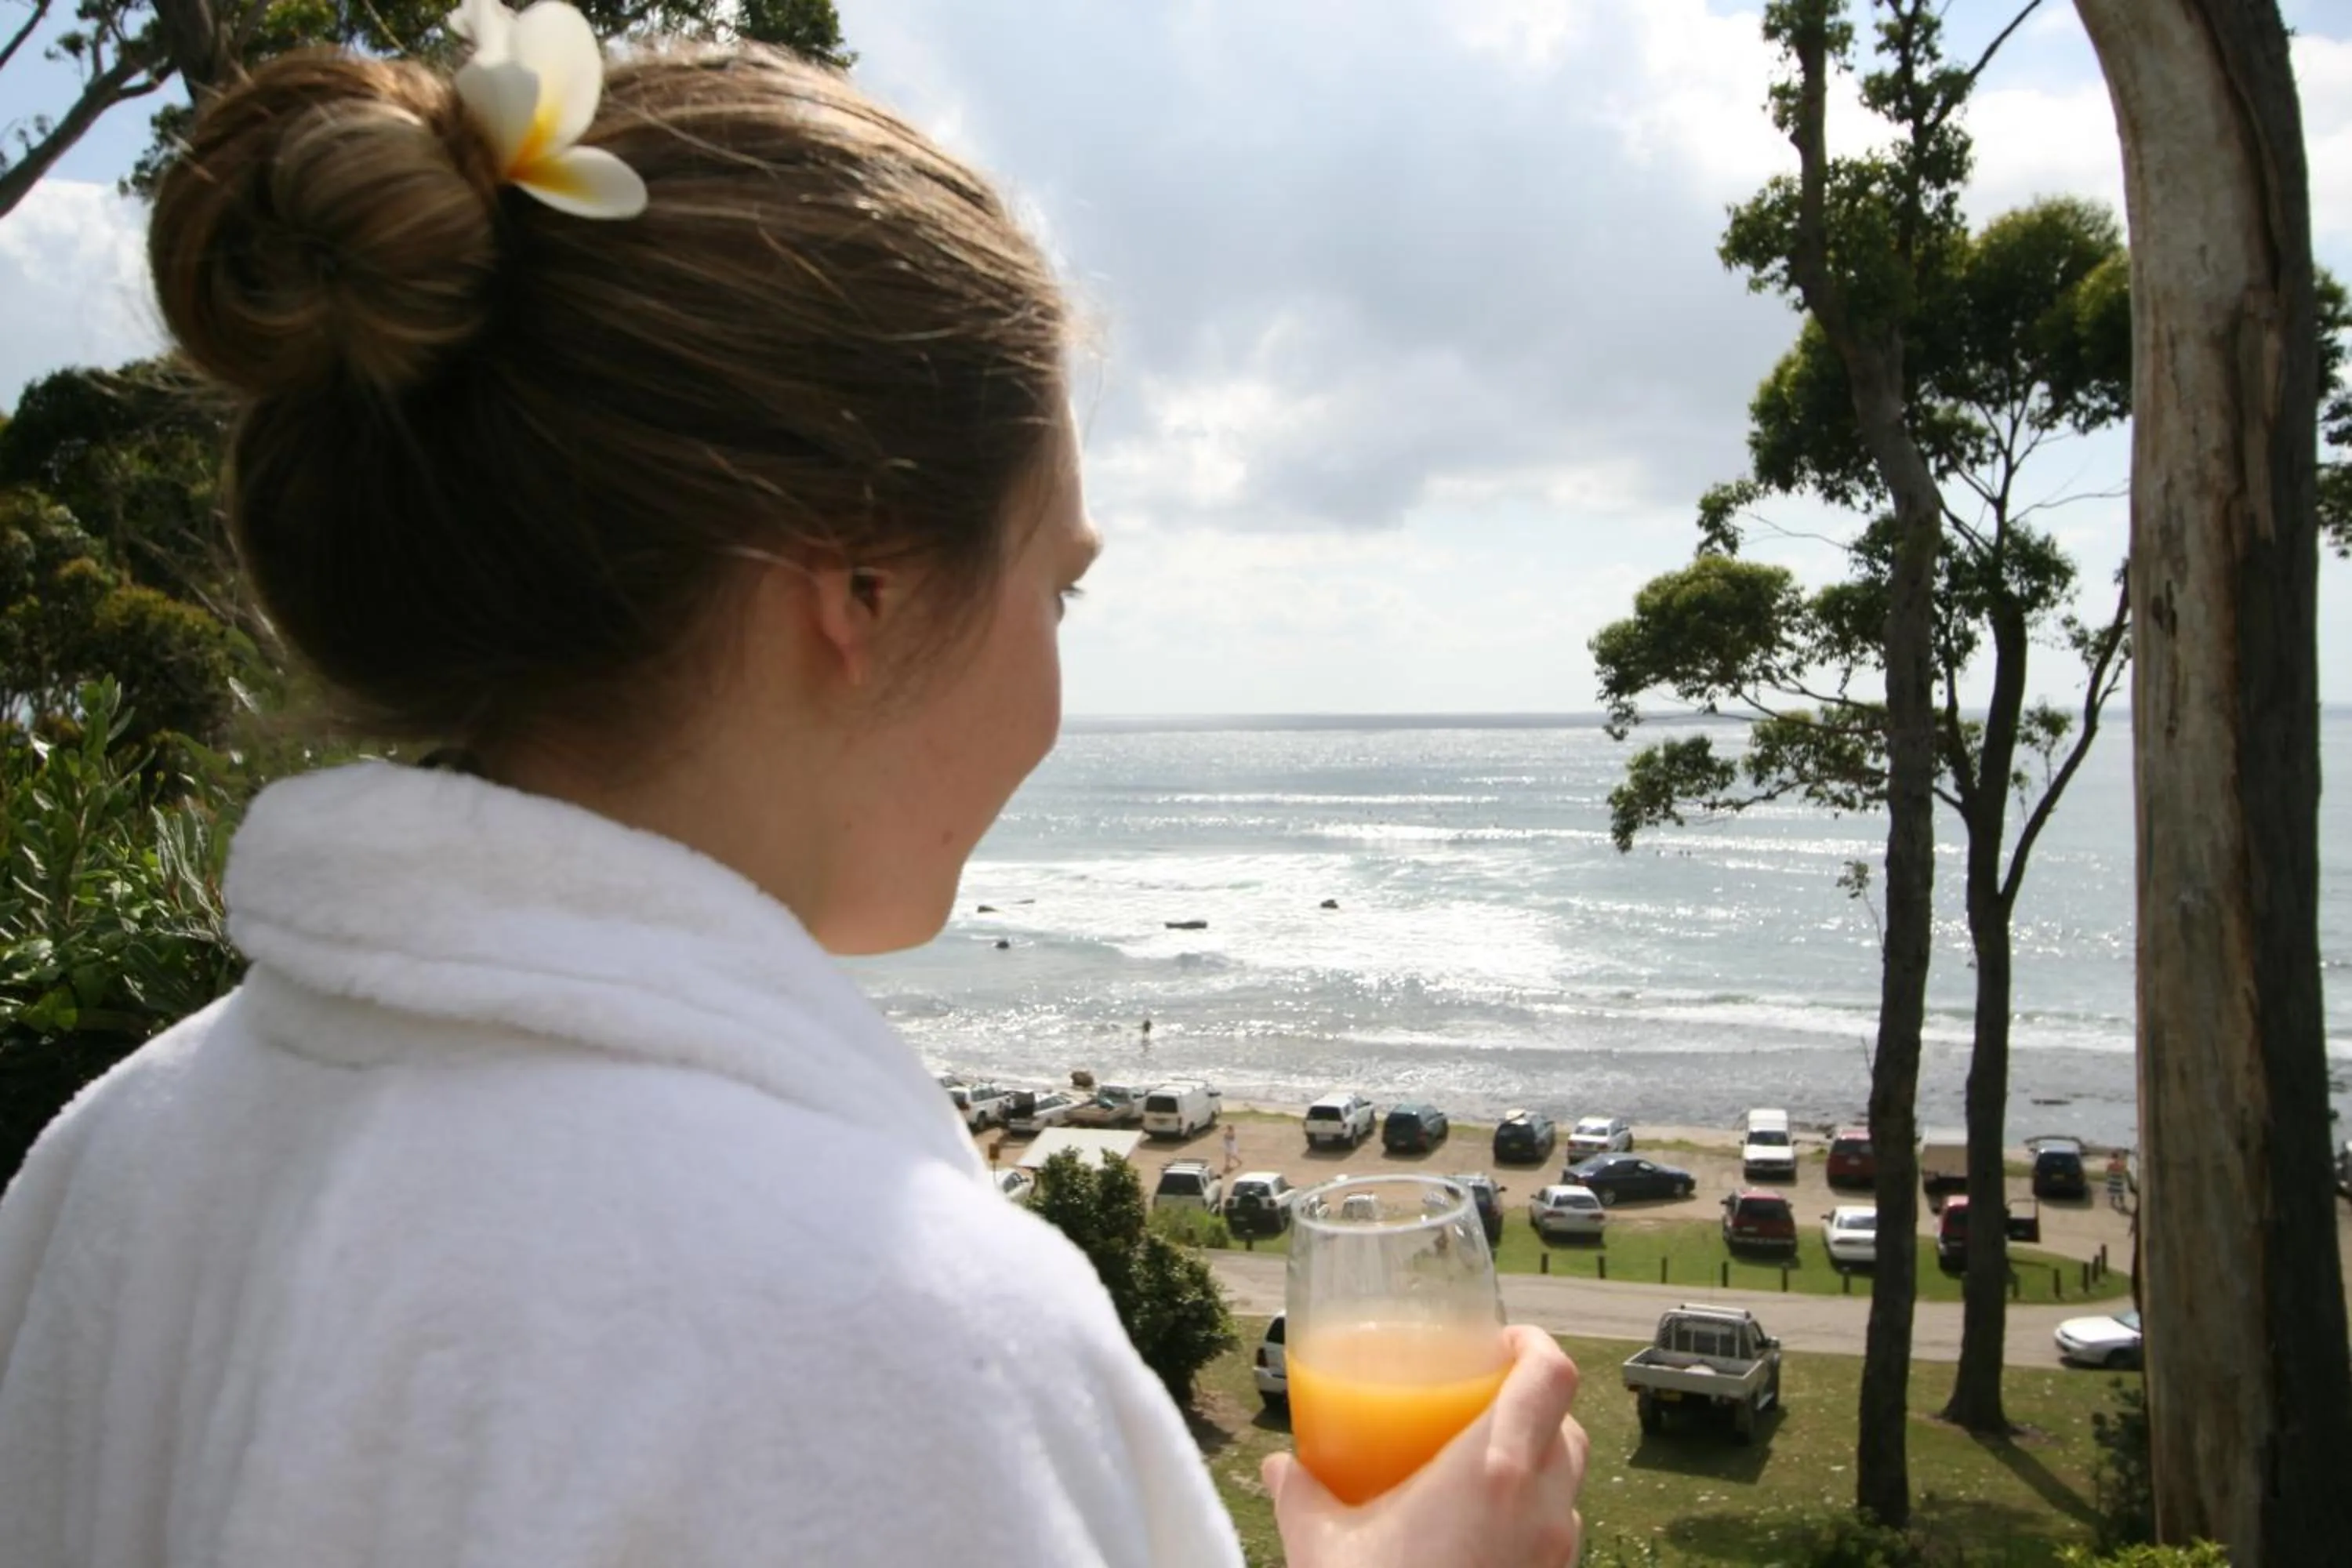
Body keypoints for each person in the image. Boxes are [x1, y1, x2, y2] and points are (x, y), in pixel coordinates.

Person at [0, 10, 1587, 1567]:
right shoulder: (875, 1334)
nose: (1056, 676)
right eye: (1061, 590)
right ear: (864, 578)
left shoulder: (116, 1163)